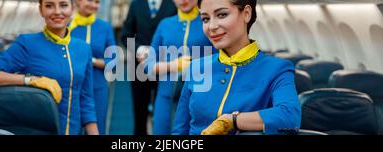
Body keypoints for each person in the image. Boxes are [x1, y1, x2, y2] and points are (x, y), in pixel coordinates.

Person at [172, 0, 301, 135]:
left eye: (222, 15)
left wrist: (231, 120)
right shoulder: (197, 67)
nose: (212, 26)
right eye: (205, 19)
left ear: (246, 14)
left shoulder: (276, 69)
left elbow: (289, 116)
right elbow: (180, 131)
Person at [0, 0, 99, 135]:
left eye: (63, 5)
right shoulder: (27, 44)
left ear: (72, 9)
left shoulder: (83, 48)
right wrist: (30, 80)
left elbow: (86, 99)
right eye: (49, 6)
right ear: (41, 10)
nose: (57, 11)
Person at [145, 0, 214, 135]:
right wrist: (173, 65)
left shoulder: (209, 23)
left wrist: (198, 67)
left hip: (200, 97)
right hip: (166, 97)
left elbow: (221, 60)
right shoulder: (165, 24)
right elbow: (148, 65)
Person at [119, 0, 177, 135]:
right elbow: (125, 34)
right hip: (139, 67)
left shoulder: (174, 4)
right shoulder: (136, 4)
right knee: (139, 111)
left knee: (165, 111)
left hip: (166, 69)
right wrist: (139, 49)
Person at [69, 0, 117, 135]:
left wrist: (92, 61)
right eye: (89, 0)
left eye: (97, 2)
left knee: (97, 128)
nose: (93, 5)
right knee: (72, 129)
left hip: (97, 86)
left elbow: (113, 61)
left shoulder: (104, 27)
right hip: (72, 87)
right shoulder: (66, 25)